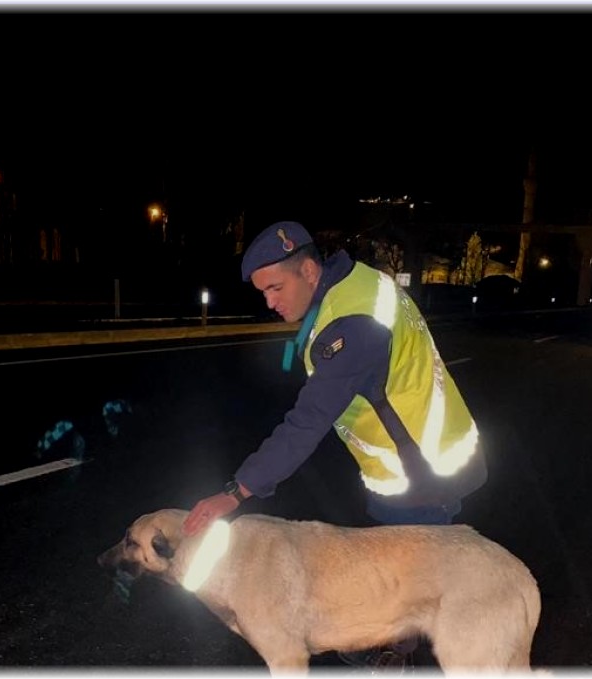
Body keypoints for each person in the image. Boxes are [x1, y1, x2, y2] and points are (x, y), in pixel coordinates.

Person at [182, 220, 488, 669]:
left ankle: (392, 657)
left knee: (402, 587)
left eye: (275, 287)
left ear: (308, 270)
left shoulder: (353, 328)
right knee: (393, 573)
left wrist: (235, 492)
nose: (270, 302)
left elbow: (306, 424)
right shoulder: (358, 283)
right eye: (263, 292)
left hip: (421, 471)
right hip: (417, 455)